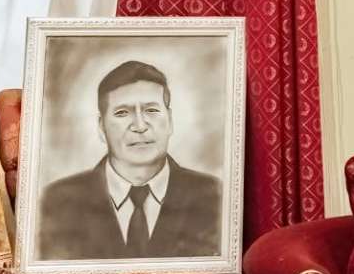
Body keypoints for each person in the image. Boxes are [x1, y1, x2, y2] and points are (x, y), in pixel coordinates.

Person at [35, 58, 223, 260]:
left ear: (170, 120)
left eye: (151, 110)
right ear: (101, 127)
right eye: (122, 113)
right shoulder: (57, 202)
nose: (140, 126)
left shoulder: (214, 196)